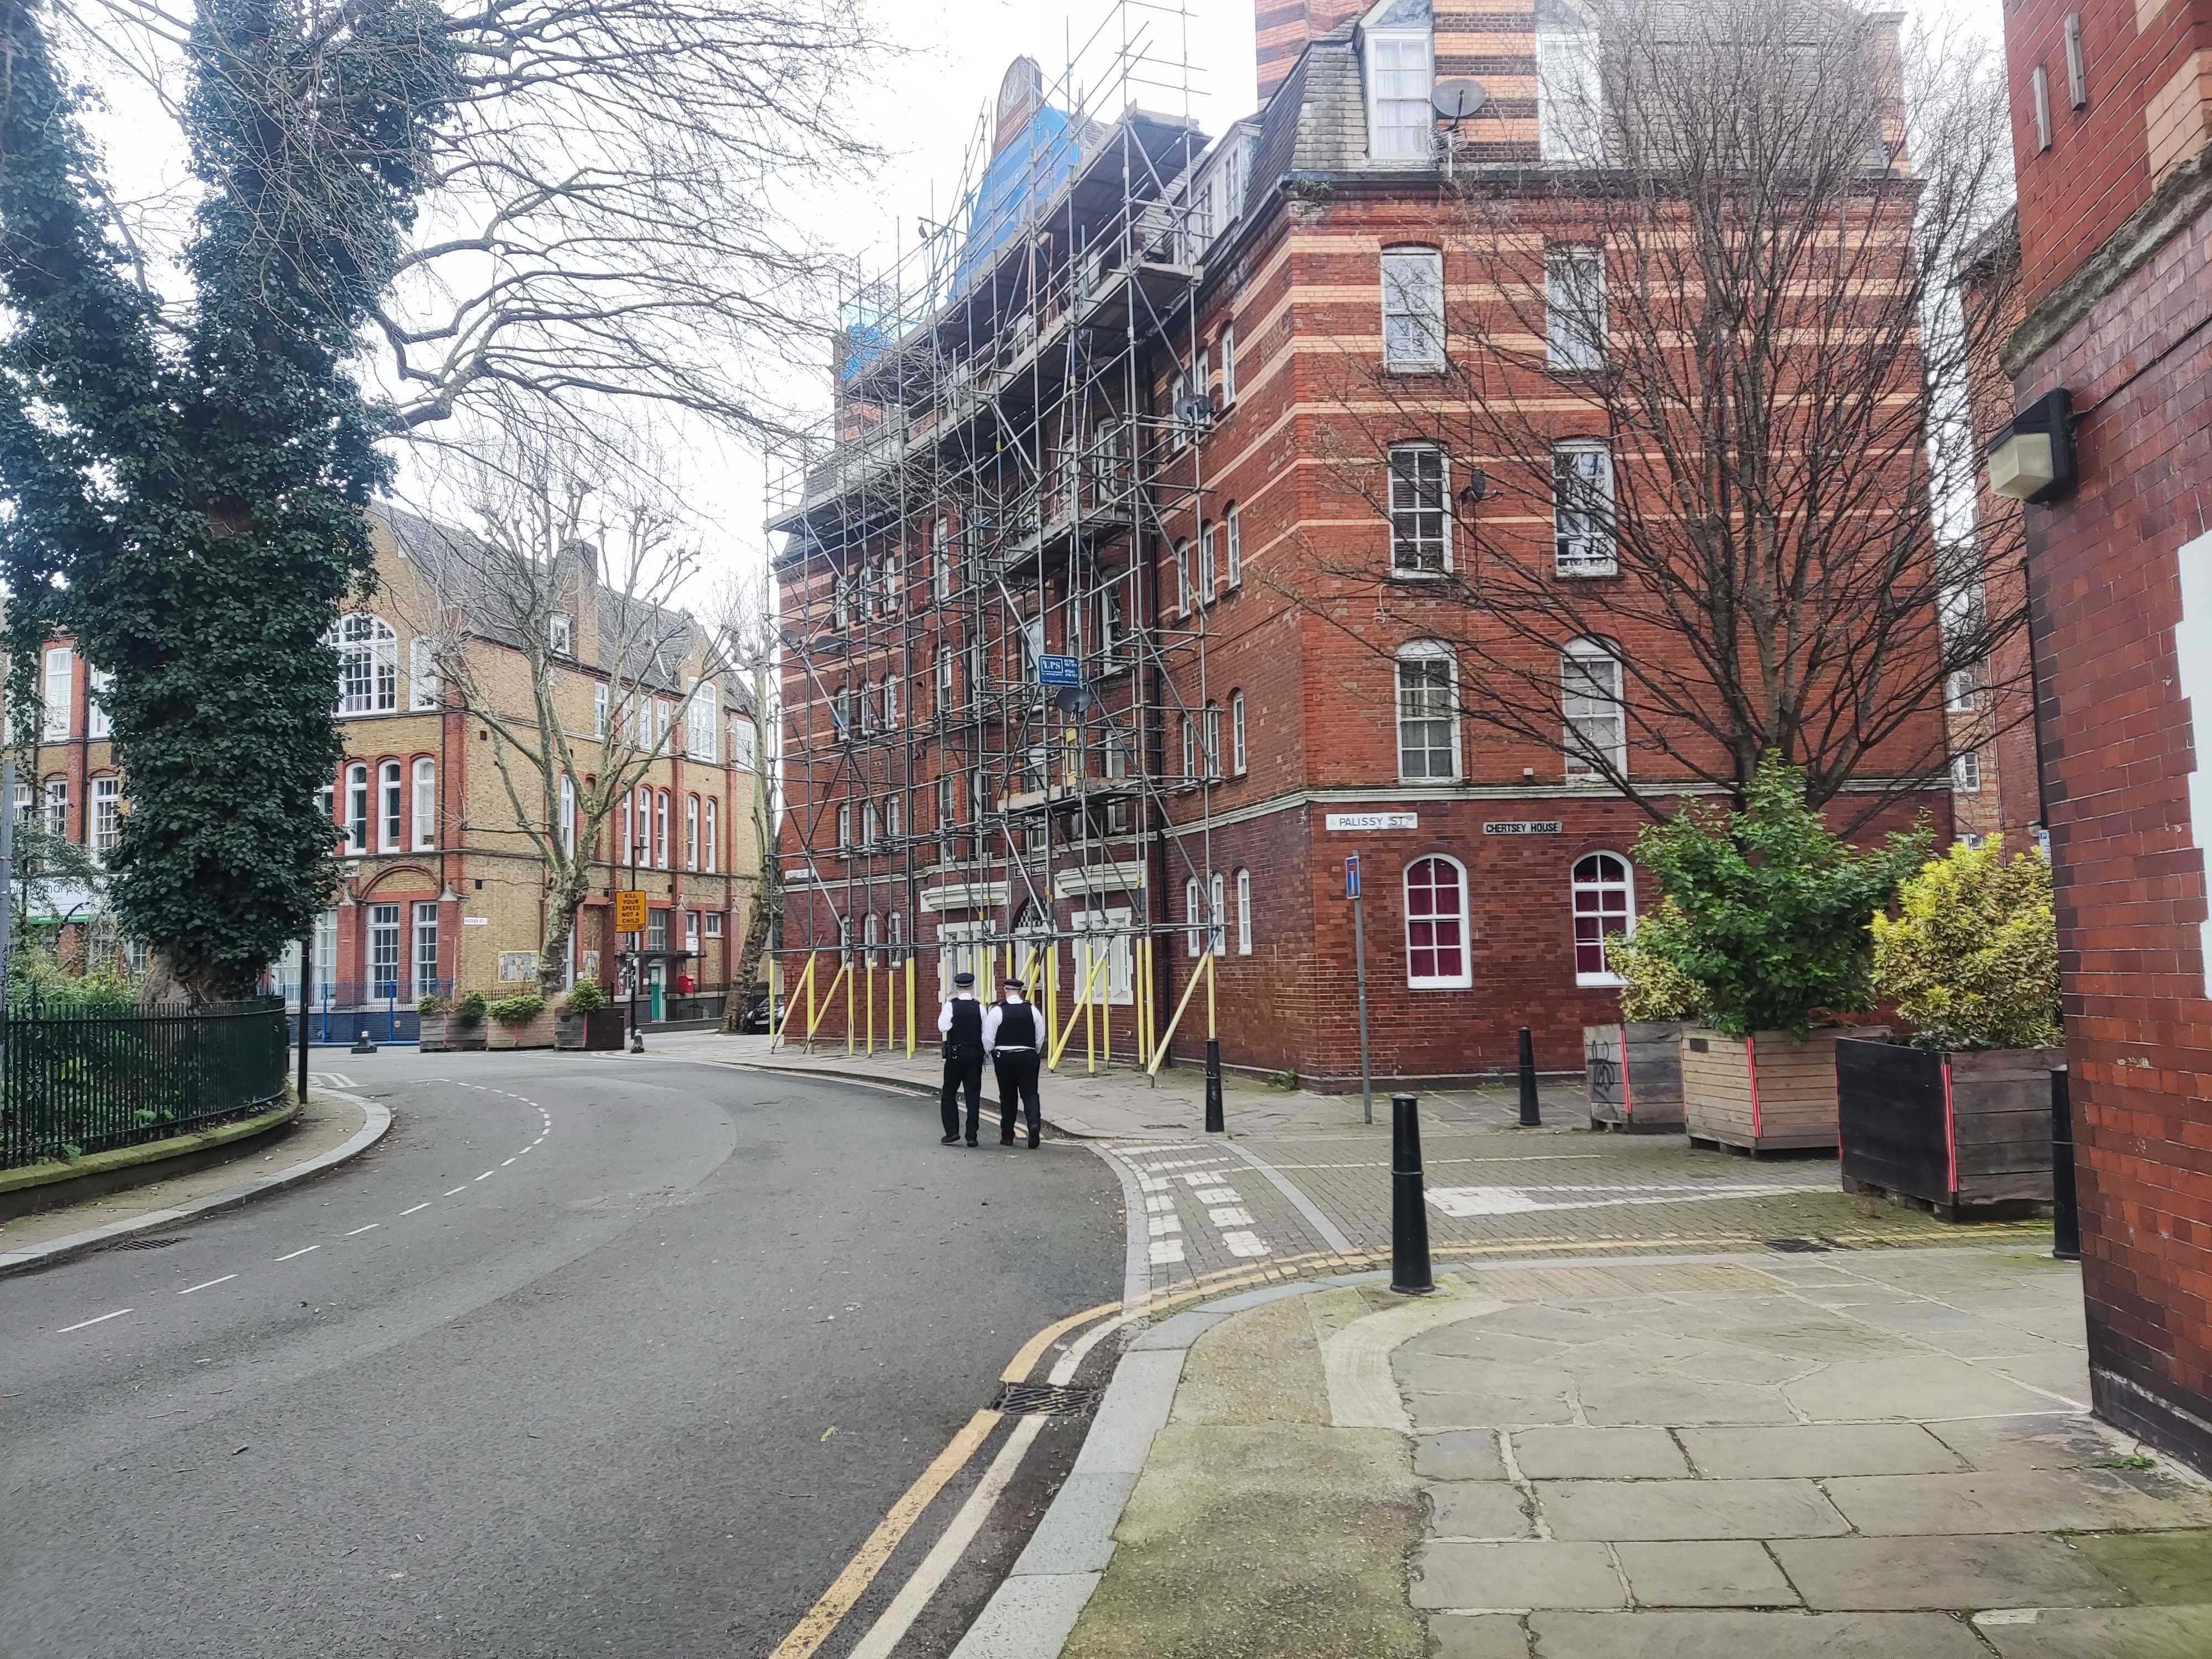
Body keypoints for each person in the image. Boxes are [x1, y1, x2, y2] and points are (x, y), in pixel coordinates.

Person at [984, 975, 1044, 1149]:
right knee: (1031, 1094)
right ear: (1021, 992)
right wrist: (1033, 1052)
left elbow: (989, 1039)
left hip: (1005, 1058)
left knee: (1008, 1097)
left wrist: (991, 1054)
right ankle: (1034, 1125)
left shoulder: (997, 1011)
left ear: (1005, 991)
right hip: (1028, 1056)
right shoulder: (1032, 1010)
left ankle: (1008, 1136)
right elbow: (1040, 1037)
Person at [936, 971, 985, 1146]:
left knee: (949, 1093)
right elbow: (985, 1034)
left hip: (955, 1055)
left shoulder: (951, 1006)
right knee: (973, 1095)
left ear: (957, 988)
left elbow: (943, 1026)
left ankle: (952, 1132)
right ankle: (972, 1136)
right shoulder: (980, 1007)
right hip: (975, 1055)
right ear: (972, 987)